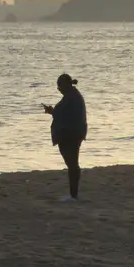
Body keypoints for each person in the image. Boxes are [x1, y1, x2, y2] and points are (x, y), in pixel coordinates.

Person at [42, 73, 87, 201]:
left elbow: (65, 115)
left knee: (72, 164)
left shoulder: (72, 97)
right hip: (73, 133)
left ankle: (74, 195)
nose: (59, 89)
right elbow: (64, 114)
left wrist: (52, 111)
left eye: (60, 86)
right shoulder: (72, 95)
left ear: (66, 85)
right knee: (72, 164)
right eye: (57, 87)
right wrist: (53, 112)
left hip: (71, 134)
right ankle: (73, 194)